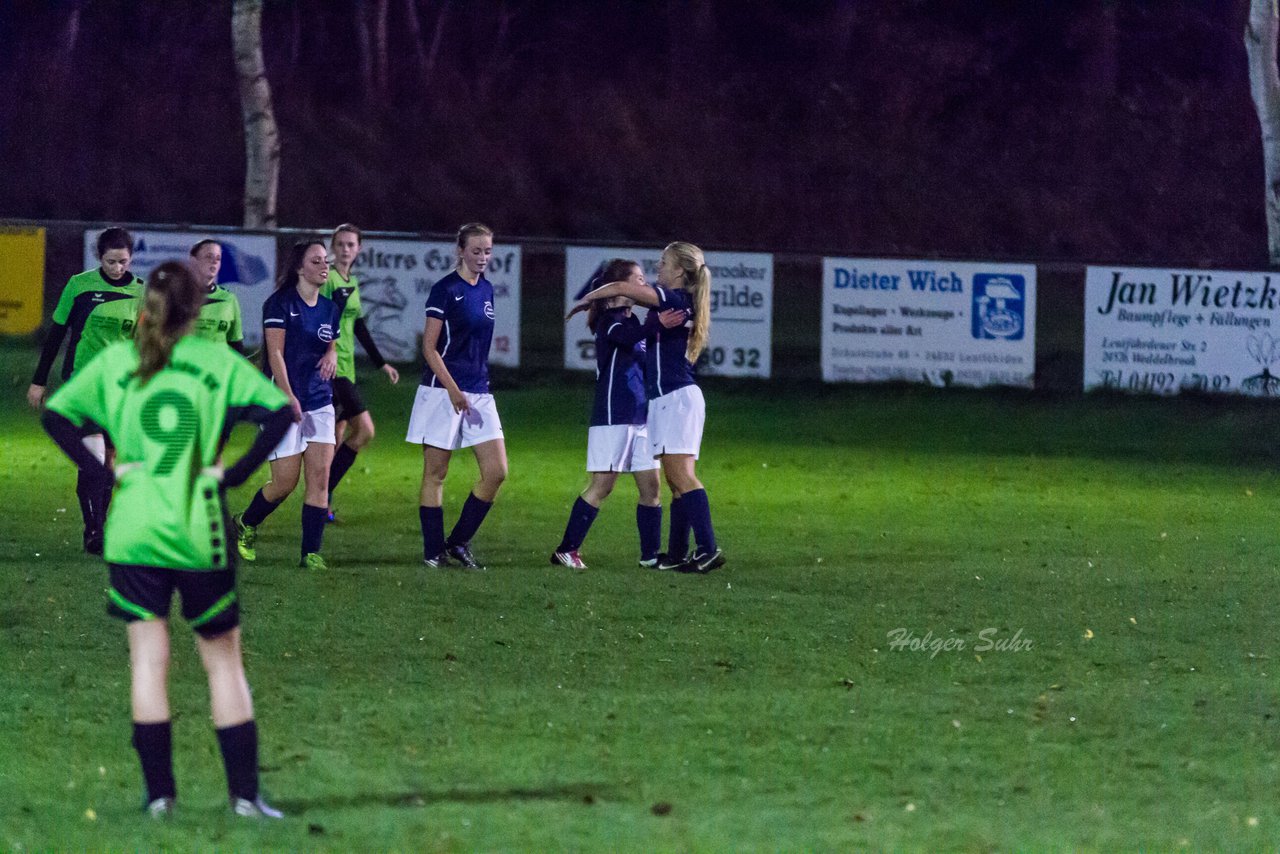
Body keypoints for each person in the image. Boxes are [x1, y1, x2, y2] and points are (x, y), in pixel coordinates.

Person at [40, 259, 294, 819]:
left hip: (132, 529)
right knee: (224, 664)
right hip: (197, 528)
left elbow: (56, 417)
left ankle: (160, 799)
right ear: (197, 306)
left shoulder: (117, 363)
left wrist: (106, 476)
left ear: (144, 308)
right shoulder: (213, 361)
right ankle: (245, 798)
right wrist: (230, 474)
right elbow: (279, 416)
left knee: (147, 665)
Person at [567, 241, 726, 573]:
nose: (658, 268)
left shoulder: (674, 297)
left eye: (663, 262)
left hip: (675, 398)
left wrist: (589, 297)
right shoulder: (677, 302)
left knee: (682, 477)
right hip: (674, 399)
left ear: (680, 271)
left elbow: (626, 288)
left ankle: (708, 548)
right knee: (675, 481)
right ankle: (677, 554)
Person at [27, 226, 144, 555]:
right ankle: (93, 529)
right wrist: (39, 380)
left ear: (131, 258)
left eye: (122, 262)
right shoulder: (79, 286)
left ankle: (100, 524)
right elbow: (56, 335)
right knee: (93, 458)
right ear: (100, 258)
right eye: (110, 262)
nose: (117, 268)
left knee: (108, 461)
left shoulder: (141, 293)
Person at [551, 259, 665, 570]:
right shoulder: (610, 322)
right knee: (603, 485)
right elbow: (626, 339)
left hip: (642, 415)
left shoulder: (634, 321)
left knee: (652, 487)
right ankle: (567, 550)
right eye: (638, 280)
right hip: (614, 414)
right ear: (620, 287)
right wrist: (656, 323)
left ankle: (651, 556)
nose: (644, 286)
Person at [233, 241, 340, 570]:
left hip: (320, 400)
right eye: (316, 260)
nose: (324, 265)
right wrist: (288, 395)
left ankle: (311, 552)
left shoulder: (329, 307)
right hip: (282, 402)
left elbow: (329, 340)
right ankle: (247, 522)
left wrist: (332, 353)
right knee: (284, 483)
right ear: (299, 268)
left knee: (320, 479)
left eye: (326, 260)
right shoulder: (279, 304)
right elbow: (275, 353)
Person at [407, 223, 507, 571]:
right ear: (460, 251)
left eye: (488, 251)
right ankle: (434, 551)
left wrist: (472, 386)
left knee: (496, 472)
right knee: (436, 473)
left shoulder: (488, 290)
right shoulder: (445, 290)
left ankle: (458, 542)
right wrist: (452, 389)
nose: (483, 258)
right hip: (441, 392)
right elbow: (429, 348)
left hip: (479, 391)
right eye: (476, 250)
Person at [321, 223, 400, 519]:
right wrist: (326, 350)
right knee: (364, 430)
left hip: (348, 369)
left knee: (337, 437)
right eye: (340, 244)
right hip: (333, 369)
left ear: (359, 249)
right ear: (333, 246)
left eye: (350, 244)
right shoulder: (327, 279)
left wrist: (381, 363)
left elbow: (359, 326)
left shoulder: (350, 280)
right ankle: (321, 492)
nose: (345, 249)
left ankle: (322, 503)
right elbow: (323, 319)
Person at [189, 239, 245, 352]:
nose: (214, 262)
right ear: (194, 261)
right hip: (187, 367)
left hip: (217, 368)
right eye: (209, 256)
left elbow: (236, 345)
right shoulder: (177, 294)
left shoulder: (228, 299)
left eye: (218, 258)